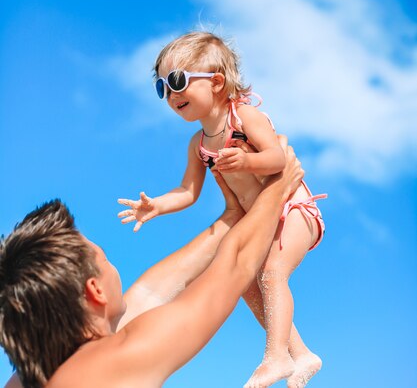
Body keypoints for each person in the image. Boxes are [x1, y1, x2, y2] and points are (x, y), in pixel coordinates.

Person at [0, 140, 302, 388]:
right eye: (104, 259)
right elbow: (234, 266)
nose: (111, 265)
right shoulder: (117, 360)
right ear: (95, 291)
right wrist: (279, 185)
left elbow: (152, 293)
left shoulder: (28, 379)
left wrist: (231, 217)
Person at [118, 31, 327, 388]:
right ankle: (301, 353)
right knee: (243, 282)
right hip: (262, 220)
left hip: (295, 208)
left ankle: (276, 356)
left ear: (216, 82)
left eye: (178, 81)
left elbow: (279, 158)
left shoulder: (244, 117)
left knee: (272, 273)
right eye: (162, 87)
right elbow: (188, 191)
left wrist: (248, 162)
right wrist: (156, 206)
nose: (170, 94)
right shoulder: (198, 144)